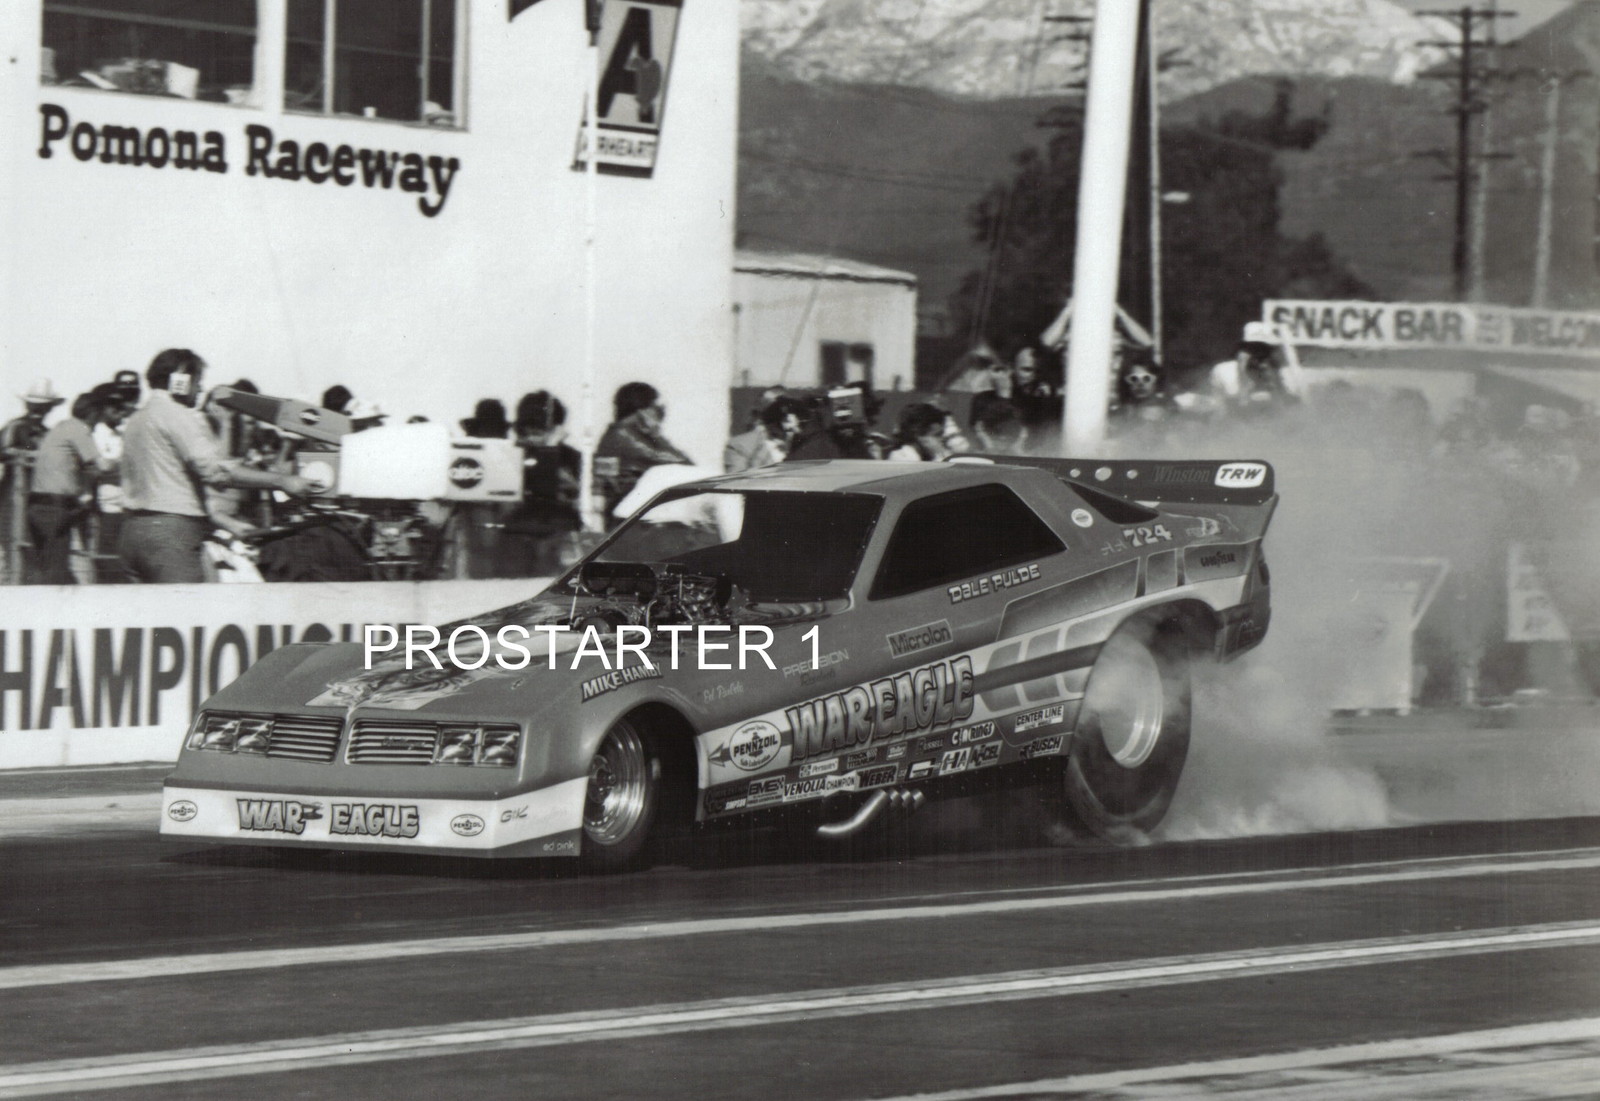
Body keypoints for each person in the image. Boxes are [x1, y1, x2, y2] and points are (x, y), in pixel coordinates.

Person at [118, 348, 315, 583]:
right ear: (181, 380)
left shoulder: (136, 420)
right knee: (188, 614)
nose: (200, 389)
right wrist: (282, 481)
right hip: (171, 536)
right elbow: (217, 471)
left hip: (132, 532)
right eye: (198, 382)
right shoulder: (178, 414)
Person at [25, 389, 117, 584]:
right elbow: (102, 466)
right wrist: (127, 461)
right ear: (93, 414)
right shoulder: (78, 429)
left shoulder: (61, 427)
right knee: (55, 576)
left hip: (38, 507)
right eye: (98, 419)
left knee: (46, 571)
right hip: (54, 509)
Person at [595, 382, 691, 522]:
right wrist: (656, 434)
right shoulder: (624, 435)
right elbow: (682, 463)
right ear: (643, 410)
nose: (660, 412)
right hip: (630, 511)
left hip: (627, 508)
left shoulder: (618, 433)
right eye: (656, 406)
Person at [1, 379, 66, 584]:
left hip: (38, 501)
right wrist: (25, 456)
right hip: (12, 499)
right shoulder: (14, 427)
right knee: (11, 549)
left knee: (33, 552)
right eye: (36, 406)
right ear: (28, 405)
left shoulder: (49, 434)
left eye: (44, 407)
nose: (39, 410)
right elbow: (3, 451)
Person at [1208, 322, 1306, 412]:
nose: (1257, 354)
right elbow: (1218, 409)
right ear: (1241, 350)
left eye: (1263, 349)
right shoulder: (1223, 372)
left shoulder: (1288, 376)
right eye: (1251, 348)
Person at [724, 395, 803, 473]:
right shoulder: (741, 446)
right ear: (771, 423)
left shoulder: (803, 446)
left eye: (799, 425)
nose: (796, 431)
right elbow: (735, 481)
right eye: (787, 425)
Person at [888, 402, 952, 462]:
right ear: (918, 435)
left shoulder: (927, 457)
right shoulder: (903, 457)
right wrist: (940, 455)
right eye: (937, 435)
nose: (943, 439)